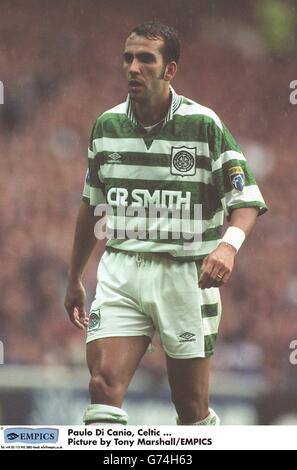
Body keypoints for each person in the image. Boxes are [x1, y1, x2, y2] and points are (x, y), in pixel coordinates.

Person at [64, 21, 267, 426]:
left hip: (185, 275)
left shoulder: (203, 125)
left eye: (145, 59)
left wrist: (227, 245)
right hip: (122, 268)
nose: (133, 68)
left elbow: (245, 200)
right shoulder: (106, 127)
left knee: (190, 409)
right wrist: (73, 278)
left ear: (169, 69)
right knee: (102, 387)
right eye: (128, 58)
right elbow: (91, 206)